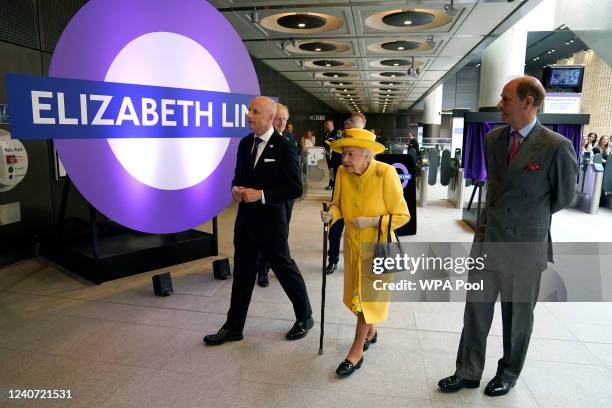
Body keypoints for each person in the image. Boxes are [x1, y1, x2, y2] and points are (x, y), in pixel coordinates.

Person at [438, 76, 578, 397]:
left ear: (528, 103)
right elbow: (497, 189)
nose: (500, 105)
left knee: (516, 320)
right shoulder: (493, 139)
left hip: (524, 248)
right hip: (488, 241)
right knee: (475, 312)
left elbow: (563, 197)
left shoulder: (557, 146)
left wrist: (529, 221)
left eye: (506, 99)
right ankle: (468, 370)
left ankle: (509, 372)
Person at [203, 96, 314, 346]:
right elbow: (237, 177)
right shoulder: (244, 144)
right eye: (249, 110)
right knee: (242, 274)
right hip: (245, 222)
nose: (248, 115)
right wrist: (235, 190)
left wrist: (261, 195)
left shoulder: (284, 146)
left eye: (254, 111)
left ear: (269, 118)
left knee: (285, 270)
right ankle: (233, 327)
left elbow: (295, 188)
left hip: (272, 223)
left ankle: (305, 317)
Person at [320, 128, 410, 377]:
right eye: (343, 154)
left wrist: (371, 221)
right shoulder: (341, 172)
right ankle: (371, 332)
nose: (344, 159)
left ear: (367, 156)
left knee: (366, 302)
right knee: (356, 298)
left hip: (380, 248)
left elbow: (403, 216)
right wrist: (331, 214)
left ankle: (355, 351)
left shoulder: (385, 173)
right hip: (353, 247)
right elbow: (337, 204)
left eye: (350, 154)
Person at [257, 103, 295, 287]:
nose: (281, 122)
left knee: (282, 234)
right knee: (267, 235)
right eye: (278, 118)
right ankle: (262, 270)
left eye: (284, 119)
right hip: (267, 199)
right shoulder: (261, 142)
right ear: (271, 118)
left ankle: (276, 266)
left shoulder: (288, 140)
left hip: (286, 199)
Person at [326, 113, 366, 275]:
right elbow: (337, 163)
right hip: (341, 194)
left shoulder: (369, 146)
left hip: (362, 198)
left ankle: (361, 262)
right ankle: (333, 260)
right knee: (334, 230)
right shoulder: (341, 143)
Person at [322, 119, 341, 190]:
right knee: (330, 169)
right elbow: (324, 141)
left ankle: (334, 184)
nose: (326, 126)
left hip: (335, 154)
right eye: (326, 124)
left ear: (331, 125)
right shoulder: (326, 132)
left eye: (327, 124)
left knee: (335, 169)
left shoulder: (337, 131)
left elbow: (336, 141)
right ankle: (331, 184)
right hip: (327, 154)